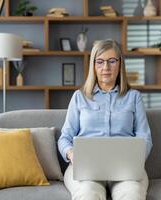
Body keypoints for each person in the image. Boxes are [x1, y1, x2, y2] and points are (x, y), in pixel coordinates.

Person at [58, 39, 152, 200]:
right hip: (86, 170)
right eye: (100, 61)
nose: (105, 67)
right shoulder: (79, 97)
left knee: (132, 194)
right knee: (88, 194)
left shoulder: (133, 97)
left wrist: (134, 161)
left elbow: (145, 138)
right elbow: (64, 137)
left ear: (120, 64)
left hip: (126, 169)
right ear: (93, 65)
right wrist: (72, 153)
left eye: (112, 61)